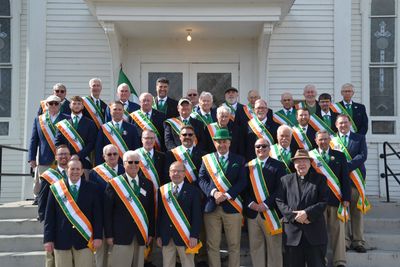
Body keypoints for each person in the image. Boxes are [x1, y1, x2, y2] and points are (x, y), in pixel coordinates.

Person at [198, 129, 247, 267]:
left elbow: (242, 182)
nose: (222, 144)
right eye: (219, 142)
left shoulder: (239, 159)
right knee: (212, 244)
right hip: (212, 207)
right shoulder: (207, 160)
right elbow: (201, 179)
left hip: (232, 206)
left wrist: (226, 195)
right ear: (214, 143)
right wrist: (214, 192)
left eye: (225, 141)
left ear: (229, 143)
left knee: (234, 244)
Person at [43, 159, 103, 267]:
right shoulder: (56, 188)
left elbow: (97, 216)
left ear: (82, 171)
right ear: (66, 170)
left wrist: (98, 236)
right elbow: (50, 217)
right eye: (72, 169)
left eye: (77, 169)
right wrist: (48, 239)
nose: (75, 171)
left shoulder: (93, 188)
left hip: (84, 240)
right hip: (61, 240)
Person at [276, 149, 328, 267]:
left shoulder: (320, 179)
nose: (301, 164)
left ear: (310, 163)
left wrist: (307, 213)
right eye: (298, 161)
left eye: (304, 160)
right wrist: (294, 216)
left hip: (315, 233)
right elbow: (279, 201)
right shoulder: (285, 180)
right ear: (294, 165)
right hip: (292, 235)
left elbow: (324, 201)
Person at [104, 150, 155, 267]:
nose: (133, 165)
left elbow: (150, 210)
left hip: (141, 234)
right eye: (130, 162)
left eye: (136, 162)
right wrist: (109, 235)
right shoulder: (115, 184)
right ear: (124, 163)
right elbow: (107, 213)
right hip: (120, 235)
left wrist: (151, 232)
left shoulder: (147, 184)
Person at [310, 130, 350, 267]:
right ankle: (321, 260)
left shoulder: (339, 156)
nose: (324, 142)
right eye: (320, 139)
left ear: (330, 140)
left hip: (336, 199)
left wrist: (346, 198)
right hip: (316, 202)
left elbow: (345, 178)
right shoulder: (311, 156)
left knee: (338, 231)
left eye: (326, 139)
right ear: (316, 141)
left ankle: (340, 261)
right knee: (319, 233)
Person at [245, 138, 286, 267]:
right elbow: (244, 188)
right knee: (256, 248)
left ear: (269, 148)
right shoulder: (248, 166)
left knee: (274, 248)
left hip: (271, 212)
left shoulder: (278, 165)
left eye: (264, 146)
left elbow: (280, 189)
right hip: (253, 213)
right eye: (258, 147)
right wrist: (252, 204)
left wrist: (266, 204)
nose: (260, 149)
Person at [333, 114, 369, 253]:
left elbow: (362, 156)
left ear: (350, 123)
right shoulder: (332, 140)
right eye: (340, 123)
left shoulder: (359, 138)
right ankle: (346, 241)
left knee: (357, 211)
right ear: (336, 125)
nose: (343, 125)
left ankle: (358, 241)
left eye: (345, 122)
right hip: (340, 182)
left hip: (355, 180)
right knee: (343, 213)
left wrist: (346, 166)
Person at [157, 161, 202, 267]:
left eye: (179, 171)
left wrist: (194, 235)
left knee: (188, 264)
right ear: (169, 173)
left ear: (185, 173)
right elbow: (159, 214)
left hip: (186, 236)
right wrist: (158, 235)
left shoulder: (193, 191)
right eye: (173, 171)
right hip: (166, 236)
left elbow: (197, 216)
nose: (176, 174)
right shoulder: (162, 190)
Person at [29, 95, 70, 202]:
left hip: (63, 158)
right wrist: (32, 158)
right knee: (44, 185)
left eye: (56, 103)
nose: (53, 105)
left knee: (62, 186)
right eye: (50, 103)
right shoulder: (39, 120)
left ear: (60, 105)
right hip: (44, 157)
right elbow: (34, 139)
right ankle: (42, 210)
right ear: (46, 105)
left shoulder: (67, 118)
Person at [38, 145, 71, 267]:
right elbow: (42, 199)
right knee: (51, 257)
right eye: (60, 154)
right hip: (54, 220)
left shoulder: (76, 172)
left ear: (70, 156)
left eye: (66, 154)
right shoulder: (49, 175)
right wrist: (45, 219)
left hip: (71, 220)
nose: (63, 156)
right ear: (56, 157)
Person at [55, 95, 98, 178]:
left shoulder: (90, 123)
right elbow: (57, 141)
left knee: (84, 188)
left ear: (82, 106)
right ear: (70, 105)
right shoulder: (63, 122)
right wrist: (65, 155)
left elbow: (91, 143)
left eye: (79, 104)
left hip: (84, 161)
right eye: (74, 103)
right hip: (65, 162)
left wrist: (78, 155)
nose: (76, 106)